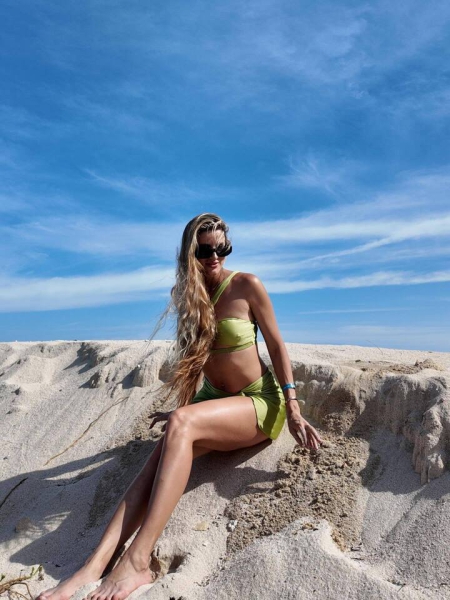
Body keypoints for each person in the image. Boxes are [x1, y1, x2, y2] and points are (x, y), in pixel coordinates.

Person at [36, 213, 322, 600]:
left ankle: (138, 560)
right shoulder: (187, 296)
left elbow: (276, 346)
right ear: (190, 253)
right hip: (213, 402)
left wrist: (293, 406)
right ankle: (93, 564)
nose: (215, 256)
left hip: (257, 402)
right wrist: (185, 411)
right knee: (155, 463)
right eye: (205, 250)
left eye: (222, 248)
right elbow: (193, 362)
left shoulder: (247, 285)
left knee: (182, 425)